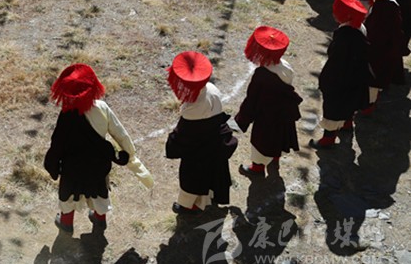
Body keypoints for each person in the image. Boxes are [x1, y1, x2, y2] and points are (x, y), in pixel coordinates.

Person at [45, 64, 153, 234]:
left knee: (69, 193)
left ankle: (66, 223)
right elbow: (120, 133)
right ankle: (99, 220)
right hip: (98, 162)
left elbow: (57, 142)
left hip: (72, 165)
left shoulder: (66, 113)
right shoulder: (102, 108)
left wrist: (52, 165)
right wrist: (129, 153)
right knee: (99, 192)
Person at [165, 51, 237, 214]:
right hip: (216, 142)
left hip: (198, 152)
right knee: (213, 175)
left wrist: (172, 143)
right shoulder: (212, 89)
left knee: (192, 181)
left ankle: (190, 206)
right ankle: (208, 199)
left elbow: (183, 135)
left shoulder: (193, 109)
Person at [235, 26, 303, 177]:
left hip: (266, 116)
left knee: (261, 142)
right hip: (284, 113)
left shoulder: (261, 74)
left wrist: (242, 120)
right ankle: (275, 158)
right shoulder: (286, 67)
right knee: (279, 137)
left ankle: (257, 169)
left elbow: (252, 101)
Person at [309, 0, 370, 149]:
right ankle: (347, 124)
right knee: (349, 102)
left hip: (341, 80)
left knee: (334, 108)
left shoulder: (344, 37)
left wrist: (326, 81)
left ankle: (328, 139)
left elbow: (337, 64)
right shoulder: (360, 28)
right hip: (356, 76)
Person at [356, 0, 404, 115]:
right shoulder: (385, 4)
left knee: (372, 81)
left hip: (378, 53)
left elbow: (377, 34)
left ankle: (368, 107)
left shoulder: (385, 9)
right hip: (379, 49)